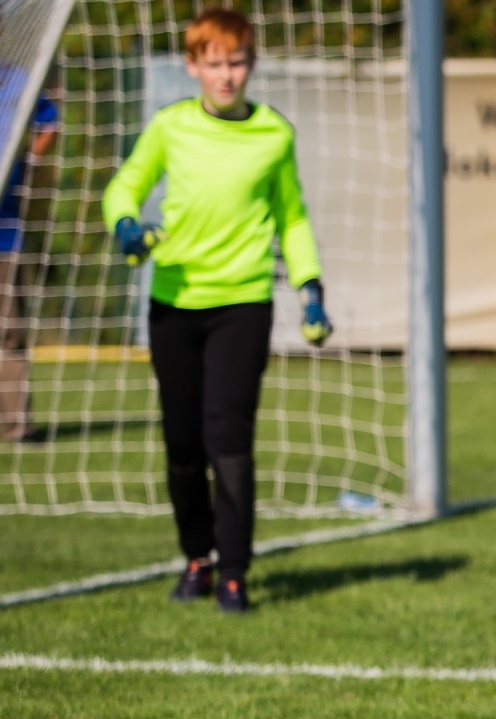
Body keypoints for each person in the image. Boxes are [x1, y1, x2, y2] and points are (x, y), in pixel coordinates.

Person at [103, 7, 332, 613]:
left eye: (236, 62)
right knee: (183, 444)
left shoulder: (274, 135)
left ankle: (234, 573)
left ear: (251, 64)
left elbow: (293, 217)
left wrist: (310, 287)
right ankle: (196, 559)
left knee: (228, 438)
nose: (226, 75)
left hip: (243, 304)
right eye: (214, 63)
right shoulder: (169, 126)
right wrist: (126, 226)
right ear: (192, 66)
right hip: (173, 303)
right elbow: (124, 186)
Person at [0, 89, 59, 443]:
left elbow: (50, 123)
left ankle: (16, 426)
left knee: (10, 333)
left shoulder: (17, 82)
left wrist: (24, 166)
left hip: (4, 237)